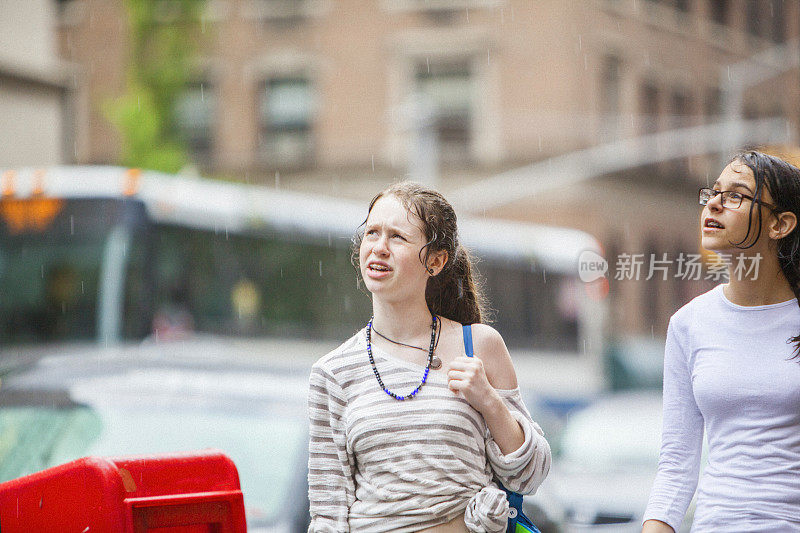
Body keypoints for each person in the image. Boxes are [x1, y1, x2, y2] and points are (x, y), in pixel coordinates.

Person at [307, 182, 551, 532]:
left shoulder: (479, 346)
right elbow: (328, 516)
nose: (379, 247)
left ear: (435, 261)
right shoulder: (332, 373)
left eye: (397, 237)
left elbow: (531, 475)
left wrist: (489, 401)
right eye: (372, 233)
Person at [642, 150, 800, 532]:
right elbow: (676, 465)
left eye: (735, 195)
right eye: (713, 192)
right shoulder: (688, 324)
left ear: (780, 224)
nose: (713, 203)